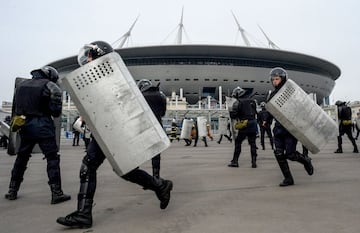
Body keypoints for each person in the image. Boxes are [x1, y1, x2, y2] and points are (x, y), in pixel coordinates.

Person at [56, 41, 173, 229]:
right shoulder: (98, 78)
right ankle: (159, 186)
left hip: (112, 130)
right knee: (123, 169)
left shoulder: (111, 76)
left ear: (100, 55)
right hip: (105, 130)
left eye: (90, 55)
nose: (86, 59)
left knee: (92, 166)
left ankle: (84, 214)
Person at [4, 66, 71, 204]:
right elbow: (56, 111)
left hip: (25, 125)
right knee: (52, 158)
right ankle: (56, 193)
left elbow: (16, 108)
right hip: (43, 125)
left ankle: (12, 190)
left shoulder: (21, 86)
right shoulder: (50, 85)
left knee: (21, 158)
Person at [267, 67, 314, 186]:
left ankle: (305, 160)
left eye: (277, 79)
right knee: (278, 153)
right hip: (278, 128)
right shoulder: (272, 94)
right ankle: (288, 179)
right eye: (273, 79)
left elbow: (302, 108)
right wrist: (266, 121)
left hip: (290, 129)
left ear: (283, 79)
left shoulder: (292, 92)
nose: (274, 82)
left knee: (290, 155)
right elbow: (270, 110)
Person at [137, 79, 167, 178]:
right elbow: (163, 113)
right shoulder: (160, 95)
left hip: (142, 127)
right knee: (156, 153)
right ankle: (156, 176)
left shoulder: (139, 96)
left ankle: (137, 174)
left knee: (137, 151)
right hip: (157, 127)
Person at [227, 86, 258, 168]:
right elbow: (255, 112)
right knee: (253, 143)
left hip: (244, 124)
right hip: (253, 123)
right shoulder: (253, 101)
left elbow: (234, 115)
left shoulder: (237, 102)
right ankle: (254, 162)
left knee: (238, 142)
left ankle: (235, 161)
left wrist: (230, 112)